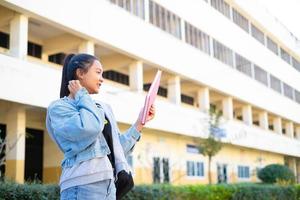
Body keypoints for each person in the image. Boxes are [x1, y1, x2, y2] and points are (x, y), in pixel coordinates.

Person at [46, 53, 155, 200]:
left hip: (108, 186)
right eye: (98, 72)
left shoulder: (102, 108)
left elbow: (118, 150)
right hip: (81, 185)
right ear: (80, 73)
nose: (102, 78)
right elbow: (89, 128)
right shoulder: (59, 108)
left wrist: (140, 123)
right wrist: (81, 95)